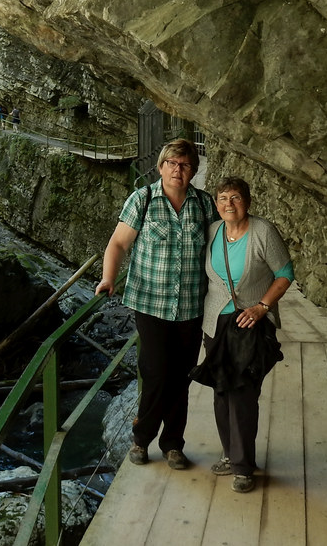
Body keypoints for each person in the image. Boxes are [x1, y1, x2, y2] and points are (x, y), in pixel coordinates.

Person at [95, 139, 217, 470]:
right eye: (173, 164)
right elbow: (118, 244)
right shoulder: (143, 199)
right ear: (161, 166)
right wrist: (108, 278)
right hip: (150, 302)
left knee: (182, 375)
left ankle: (173, 445)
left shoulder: (204, 204)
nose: (179, 170)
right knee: (157, 371)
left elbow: (223, 247)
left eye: (186, 165)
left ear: (194, 170)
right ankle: (141, 438)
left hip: (191, 304)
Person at [201, 176, 293, 493]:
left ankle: (243, 466)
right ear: (216, 205)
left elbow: (285, 274)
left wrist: (261, 307)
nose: (229, 204)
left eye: (236, 197)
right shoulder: (213, 231)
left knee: (242, 394)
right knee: (221, 390)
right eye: (223, 198)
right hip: (215, 323)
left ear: (248, 202)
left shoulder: (263, 232)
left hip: (250, 322)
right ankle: (229, 453)